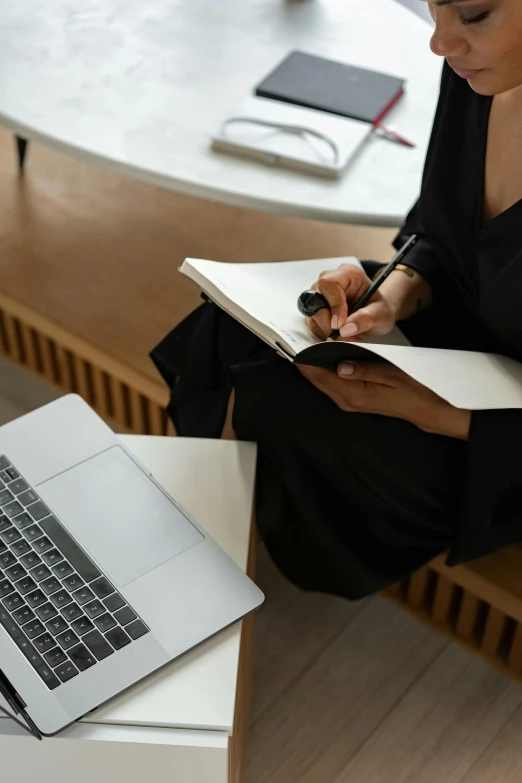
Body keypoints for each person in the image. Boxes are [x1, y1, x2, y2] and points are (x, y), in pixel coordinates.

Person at [151, 0, 522, 600]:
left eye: (474, 15)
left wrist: (437, 413)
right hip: (452, 340)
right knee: (241, 326)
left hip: (499, 445)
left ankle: (193, 589)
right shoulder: (480, 73)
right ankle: (179, 559)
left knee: (294, 408)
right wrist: (392, 293)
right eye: (435, 11)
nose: (440, 44)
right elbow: (437, 234)